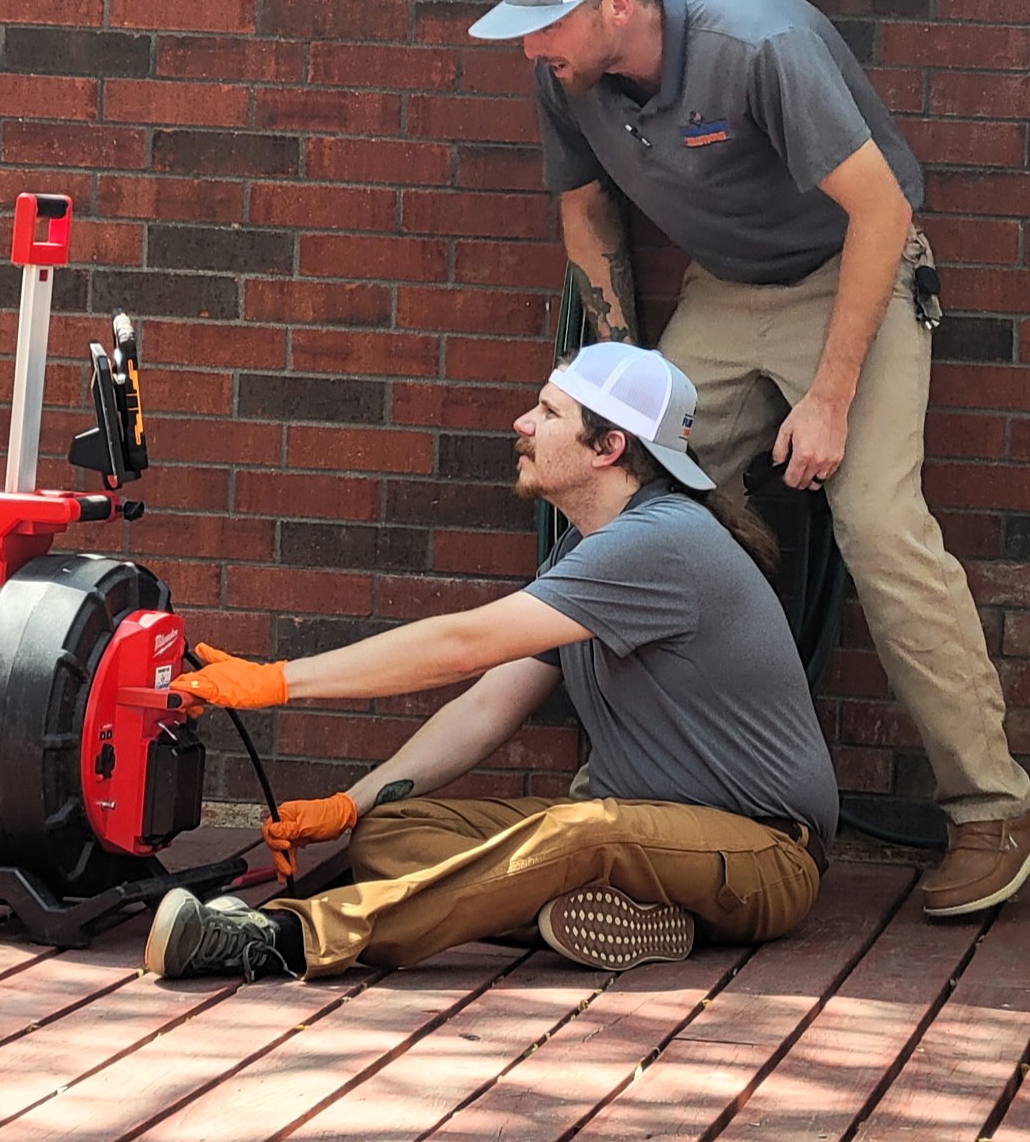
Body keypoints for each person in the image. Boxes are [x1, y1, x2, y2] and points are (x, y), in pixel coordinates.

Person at [468, 0, 1030, 919]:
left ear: (613, 5)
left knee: (875, 525)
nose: (531, 47)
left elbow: (880, 210)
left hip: (852, 271)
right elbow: (586, 206)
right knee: (610, 487)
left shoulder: (756, 42)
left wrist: (827, 398)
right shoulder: (568, 75)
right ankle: (644, 795)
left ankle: (990, 809)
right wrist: (614, 373)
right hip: (725, 293)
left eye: (545, 23)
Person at [144, 343, 837, 983]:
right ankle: (637, 917)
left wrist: (278, 681)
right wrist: (351, 804)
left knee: (575, 833)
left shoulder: (664, 542)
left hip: (764, 854)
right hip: (637, 839)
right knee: (391, 830)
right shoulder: (589, 550)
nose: (524, 422)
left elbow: (462, 645)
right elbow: (485, 706)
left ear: (609, 447)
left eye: (548, 412)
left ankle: (281, 938)